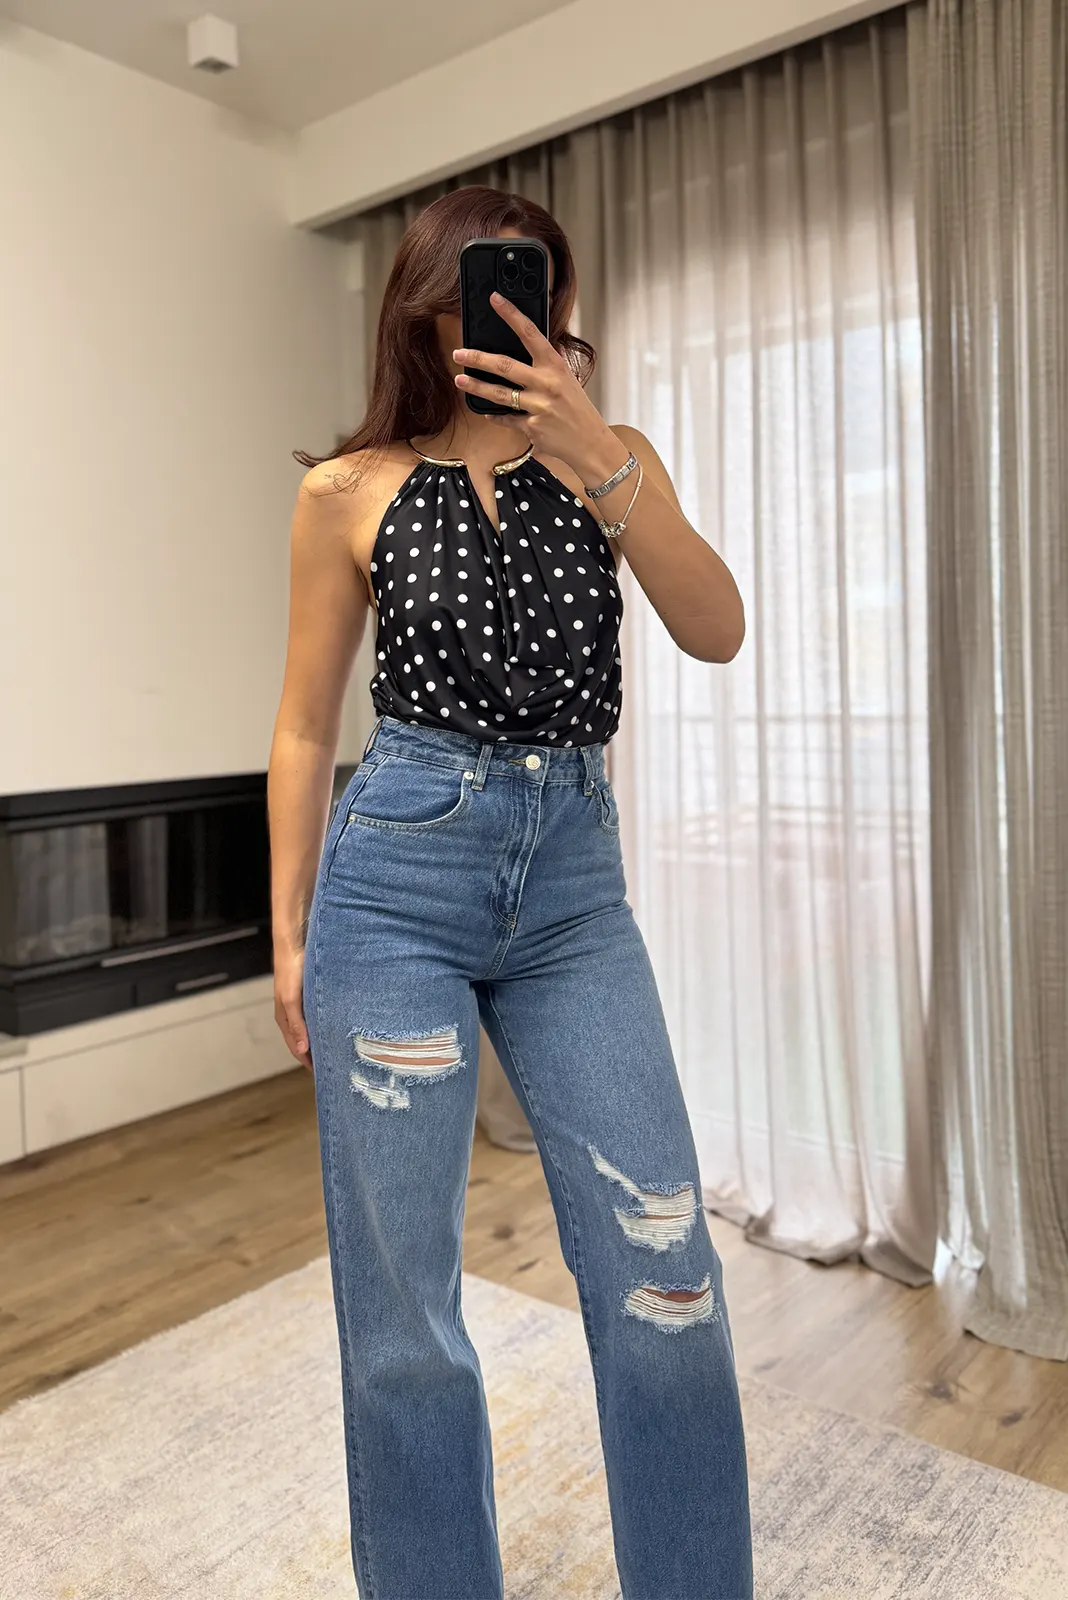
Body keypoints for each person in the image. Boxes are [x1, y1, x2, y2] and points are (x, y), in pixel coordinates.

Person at [267, 184, 752, 1600]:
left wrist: (596, 454)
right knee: (403, 1320)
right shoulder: (348, 489)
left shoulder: (613, 460)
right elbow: (302, 726)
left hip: (573, 896)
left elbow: (718, 629)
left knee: (667, 1276)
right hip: (392, 884)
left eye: (540, 285)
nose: (515, 310)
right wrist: (287, 934)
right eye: (485, 286)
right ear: (426, 309)